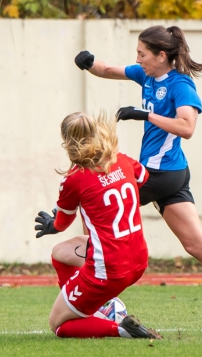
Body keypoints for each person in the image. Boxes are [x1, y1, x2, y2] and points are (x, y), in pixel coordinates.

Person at [67, 25, 202, 337]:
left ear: (162, 56)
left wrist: (145, 116)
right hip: (172, 173)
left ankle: (107, 301)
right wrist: (89, 62)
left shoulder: (181, 86)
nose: (138, 59)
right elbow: (108, 69)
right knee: (195, 244)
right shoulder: (147, 74)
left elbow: (187, 127)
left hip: (159, 173)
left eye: (142, 54)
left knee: (95, 205)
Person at [33, 111, 161, 340]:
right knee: (60, 254)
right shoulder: (121, 159)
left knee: (58, 325)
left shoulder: (74, 178)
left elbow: (62, 223)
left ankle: (120, 329)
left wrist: (52, 225)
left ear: (68, 143)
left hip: (110, 269)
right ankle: (93, 304)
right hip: (138, 258)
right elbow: (143, 178)